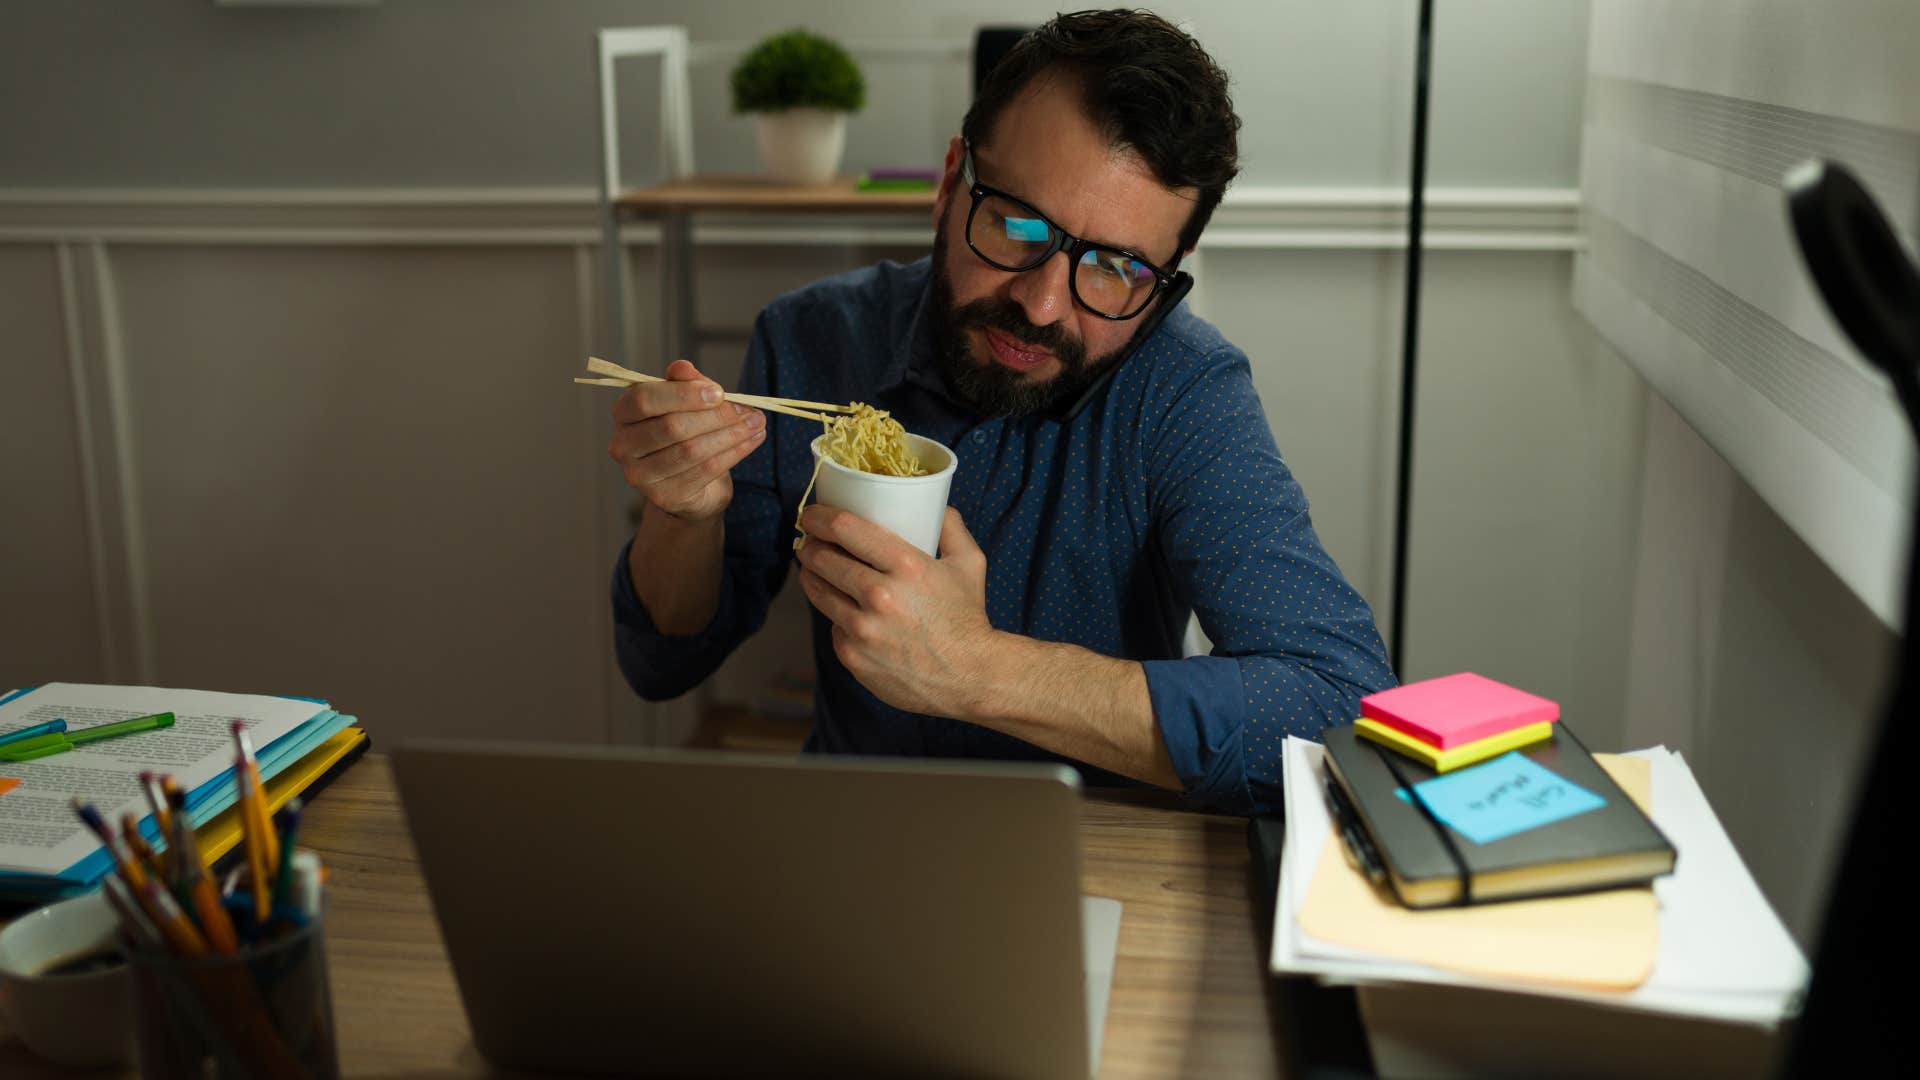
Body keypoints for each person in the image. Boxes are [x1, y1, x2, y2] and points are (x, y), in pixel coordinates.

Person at [606, 9, 1393, 814]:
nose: (1044, 305)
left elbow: (1342, 709)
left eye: (1118, 269)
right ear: (951, 181)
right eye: (1018, 226)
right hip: (853, 828)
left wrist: (979, 669)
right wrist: (682, 516)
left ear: (1172, 267)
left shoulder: (1183, 392)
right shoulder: (812, 338)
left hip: (1107, 845)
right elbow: (664, 663)